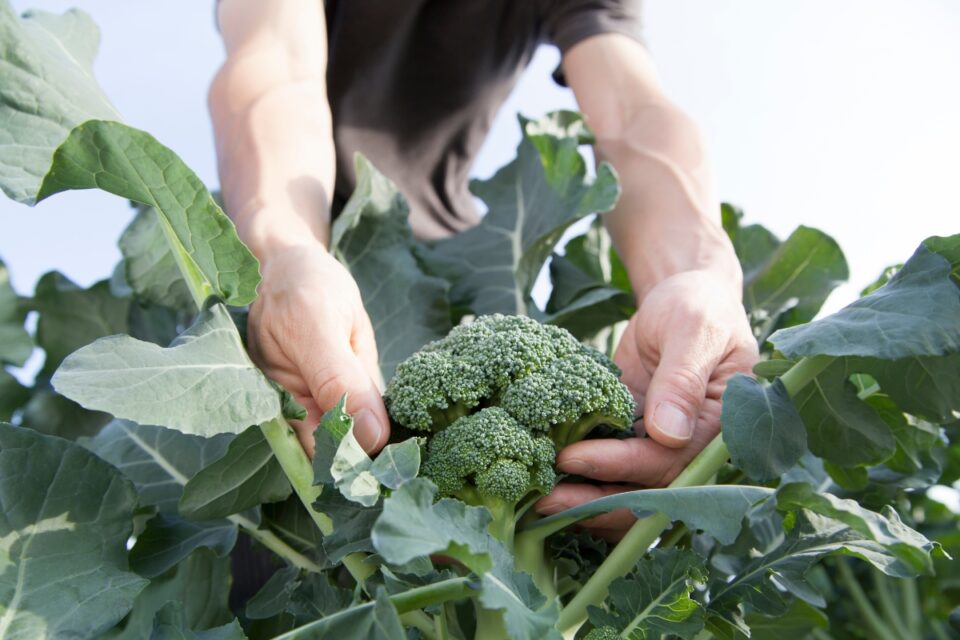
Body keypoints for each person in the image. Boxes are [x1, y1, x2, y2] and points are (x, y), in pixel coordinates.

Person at [209, 0, 758, 540]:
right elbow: (275, 71)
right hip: (302, 252)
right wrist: (283, 251)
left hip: (448, 257)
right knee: (299, 530)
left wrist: (701, 277)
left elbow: (633, 114)